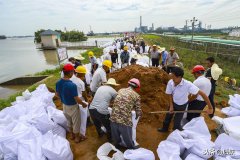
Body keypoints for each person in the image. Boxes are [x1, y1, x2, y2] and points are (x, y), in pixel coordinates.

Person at [158, 67, 213, 132]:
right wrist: (171, 106)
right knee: (167, 117)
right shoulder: (170, 82)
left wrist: (210, 107)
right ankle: (164, 128)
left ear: (180, 77)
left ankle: (177, 130)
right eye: (172, 76)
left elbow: (203, 94)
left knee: (177, 122)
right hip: (173, 103)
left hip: (182, 106)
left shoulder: (188, 85)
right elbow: (169, 94)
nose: (172, 79)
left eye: (174, 77)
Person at [56, 64, 87, 143]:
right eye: (73, 71)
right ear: (70, 72)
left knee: (69, 121)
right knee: (76, 122)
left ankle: (72, 135)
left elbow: (57, 94)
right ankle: (77, 138)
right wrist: (83, 104)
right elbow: (76, 98)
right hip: (73, 106)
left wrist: (63, 98)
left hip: (64, 105)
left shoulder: (58, 82)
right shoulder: (72, 85)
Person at [110, 78, 142, 149]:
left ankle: (117, 145)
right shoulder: (136, 95)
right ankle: (131, 147)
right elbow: (138, 111)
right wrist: (139, 115)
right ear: (137, 88)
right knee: (127, 136)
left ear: (128, 84)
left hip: (113, 117)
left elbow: (117, 101)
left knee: (116, 135)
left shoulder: (120, 90)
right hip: (124, 120)